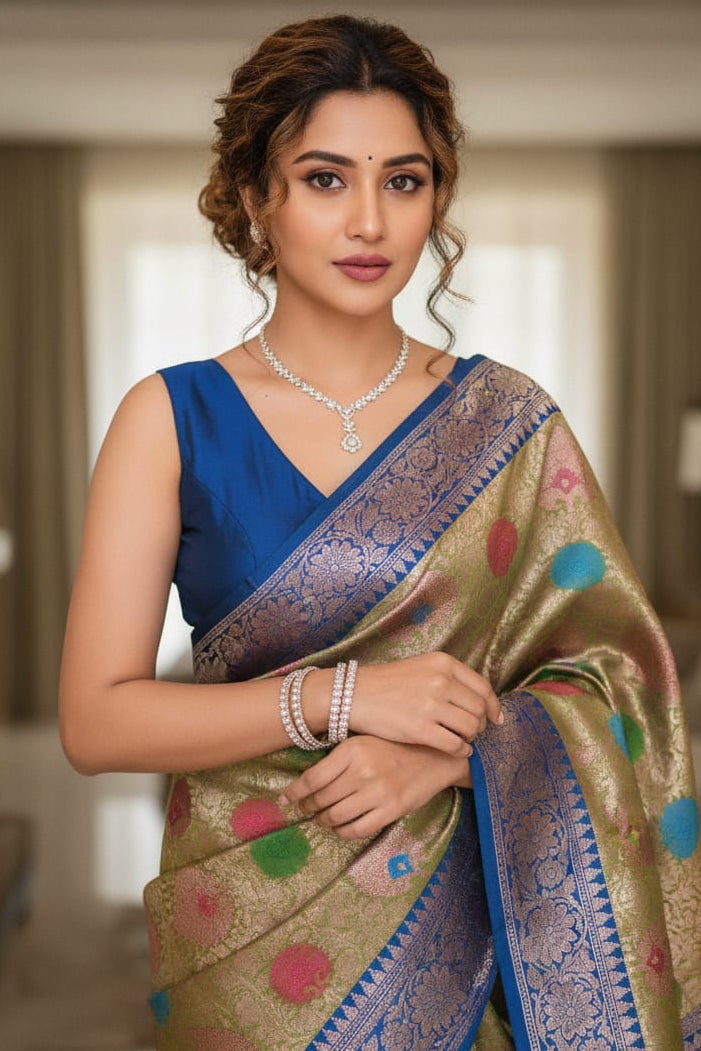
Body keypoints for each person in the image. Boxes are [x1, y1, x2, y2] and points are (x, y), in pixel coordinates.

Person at [59, 14, 701, 1051]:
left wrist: (451, 760)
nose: (368, 221)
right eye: (324, 179)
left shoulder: (507, 421)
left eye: (403, 181)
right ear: (255, 197)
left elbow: (615, 682)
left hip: (465, 915)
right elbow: (96, 723)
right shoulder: (171, 417)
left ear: (435, 198)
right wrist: (343, 697)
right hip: (248, 926)